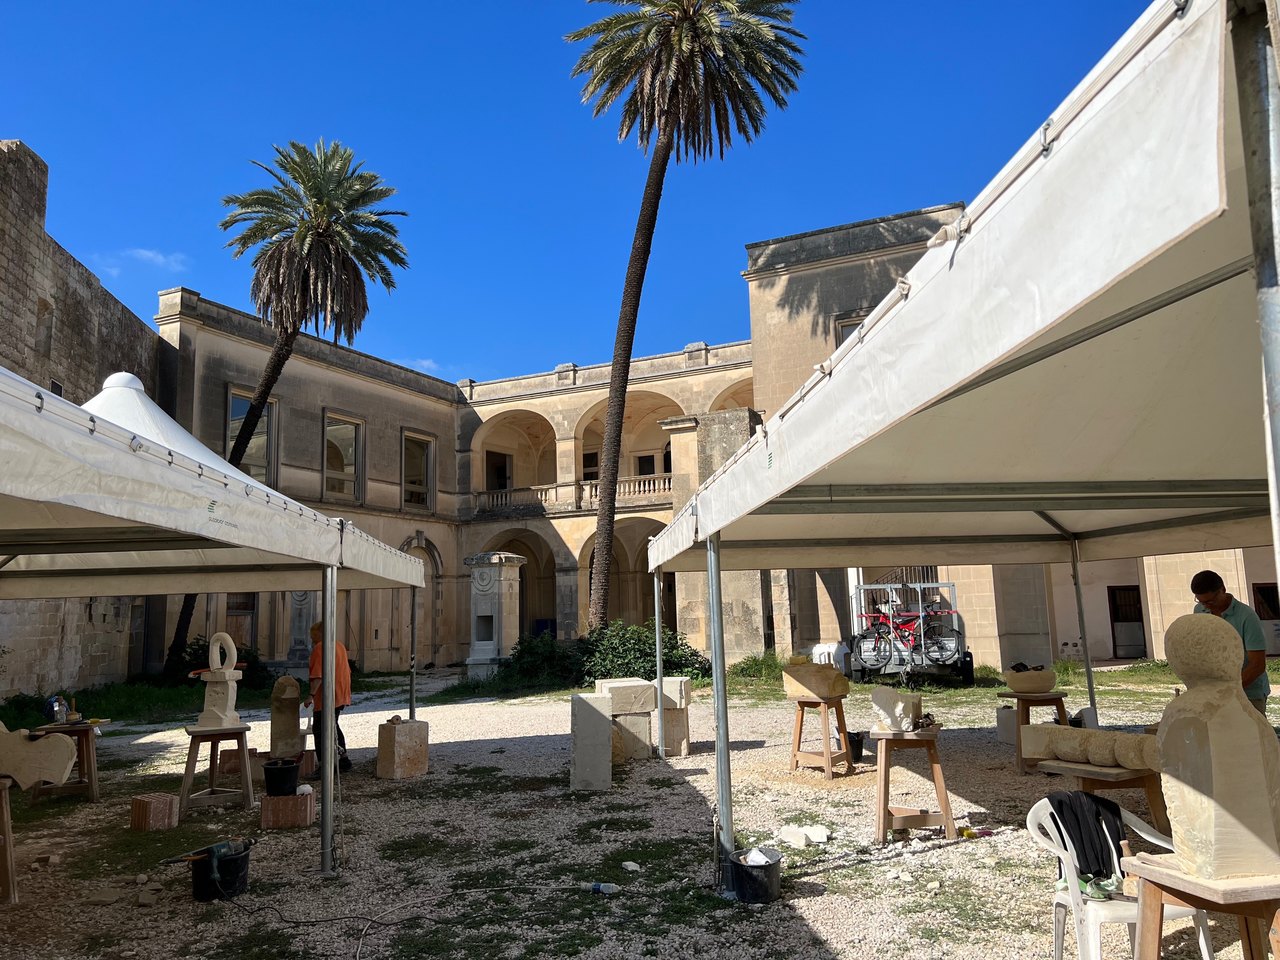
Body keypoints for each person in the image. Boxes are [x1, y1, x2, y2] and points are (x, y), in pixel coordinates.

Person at [1191, 570, 1270, 715]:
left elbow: (1257, 665)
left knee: (1250, 729)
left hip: (1249, 693)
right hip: (1214, 690)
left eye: (1210, 601)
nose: (1206, 606)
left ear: (1223, 590)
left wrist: (1230, 690)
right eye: (1201, 601)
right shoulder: (1200, 610)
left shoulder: (1247, 617)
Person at [302, 620, 353, 776]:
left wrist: (311, 695)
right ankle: (344, 759)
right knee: (333, 726)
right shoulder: (339, 645)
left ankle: (324, 765)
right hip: (341, 693)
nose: (312, 639)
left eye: (313, 636)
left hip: (327, 696)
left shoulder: (320, 648)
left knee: (320, 729)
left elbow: (318, 675)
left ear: (320, 634)